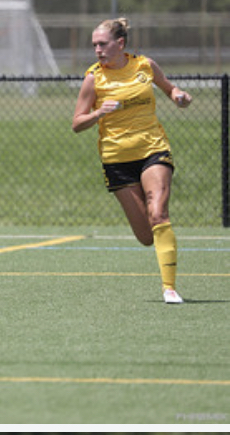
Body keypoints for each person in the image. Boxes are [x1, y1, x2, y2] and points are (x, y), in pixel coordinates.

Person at [72, 18, 192, 304]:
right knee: (146, 236)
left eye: (103, 44)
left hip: (153, 149)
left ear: (120, 44)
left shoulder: (144, 66)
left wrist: (179, 96)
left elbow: (169, 88)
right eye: (94, 45)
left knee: (159, 213)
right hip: (117, 160)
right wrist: (99, 113)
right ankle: (160, 252)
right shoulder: (93, 78)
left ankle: (169, 288)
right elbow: (77, 123)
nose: (98, 50)